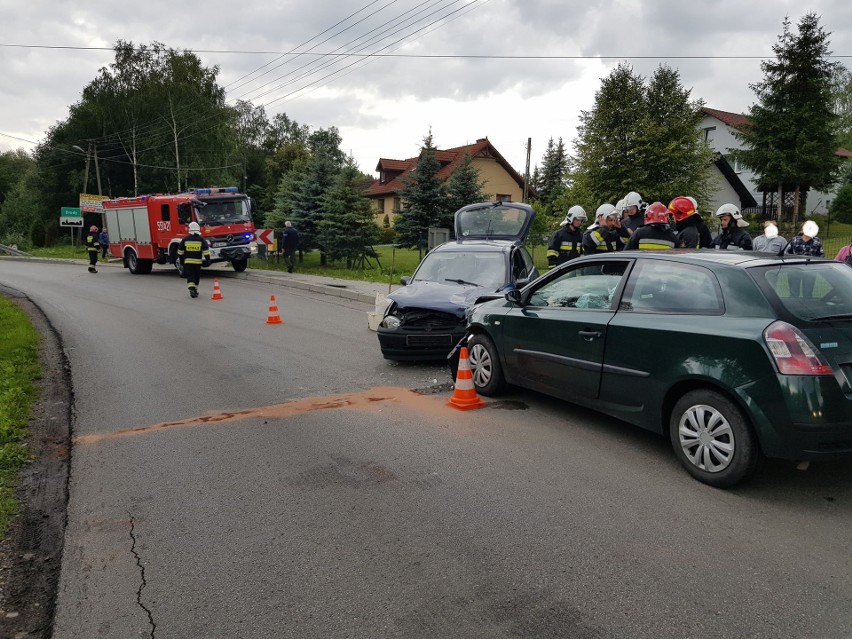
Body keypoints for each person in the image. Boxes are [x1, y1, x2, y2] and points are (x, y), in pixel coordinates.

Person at [785, 220, 824, 298]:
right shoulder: (794, 240)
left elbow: (821, 256)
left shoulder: (817, 241)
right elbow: (787, 254)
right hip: (794, 271)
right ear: (802, 229)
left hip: (810, 272)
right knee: (793, 294)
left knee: (808, 294)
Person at [177, 221, 211, 298]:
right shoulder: (201, 239)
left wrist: (182, 261)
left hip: (188, 262)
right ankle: (194, 289)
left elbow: (180, 251)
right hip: (197, 262)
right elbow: (206, 251)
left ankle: (191, 288)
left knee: (190, 276)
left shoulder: (185, 239)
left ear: (190, 229)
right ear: (198, 229)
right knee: (196, 276)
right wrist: (208, 260)